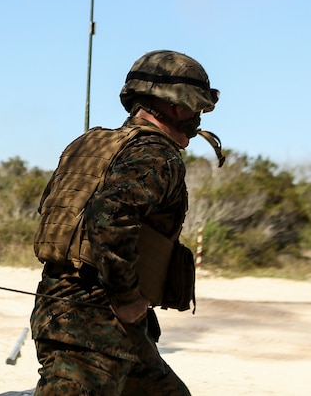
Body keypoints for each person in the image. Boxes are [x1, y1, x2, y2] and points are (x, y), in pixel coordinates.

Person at [29, 50, 222, 395]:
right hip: (94, 326)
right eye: (197, 108)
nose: (198, 120)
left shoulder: (92, 145)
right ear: (178, 106)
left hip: (75, 315)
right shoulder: (156, 154)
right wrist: (126, 296)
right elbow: (111, 215)